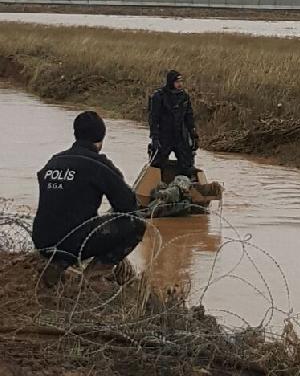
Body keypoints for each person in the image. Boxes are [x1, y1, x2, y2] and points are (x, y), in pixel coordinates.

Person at [32, 111, 146, 286]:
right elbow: (127, 204)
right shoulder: (98, 164)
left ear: (76, 134)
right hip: (74, 241)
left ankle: (58, 264)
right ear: (101, 137)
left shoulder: (54, 162)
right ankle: (93, 278)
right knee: (136, 225)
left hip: (42, 240)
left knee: (74, 222)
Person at [148, 70, 199, 177]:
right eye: (177, 81)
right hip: (164, 136)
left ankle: (186, 186)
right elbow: (154, 119)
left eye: (181, 81)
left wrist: (193, 134)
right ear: (171, 82)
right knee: (157, 164)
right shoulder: (159, 96)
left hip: (180, 136)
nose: (180, 84)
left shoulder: (184, 96)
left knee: (187, 164)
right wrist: (155, 137)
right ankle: (154, 186)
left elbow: (189, 116)